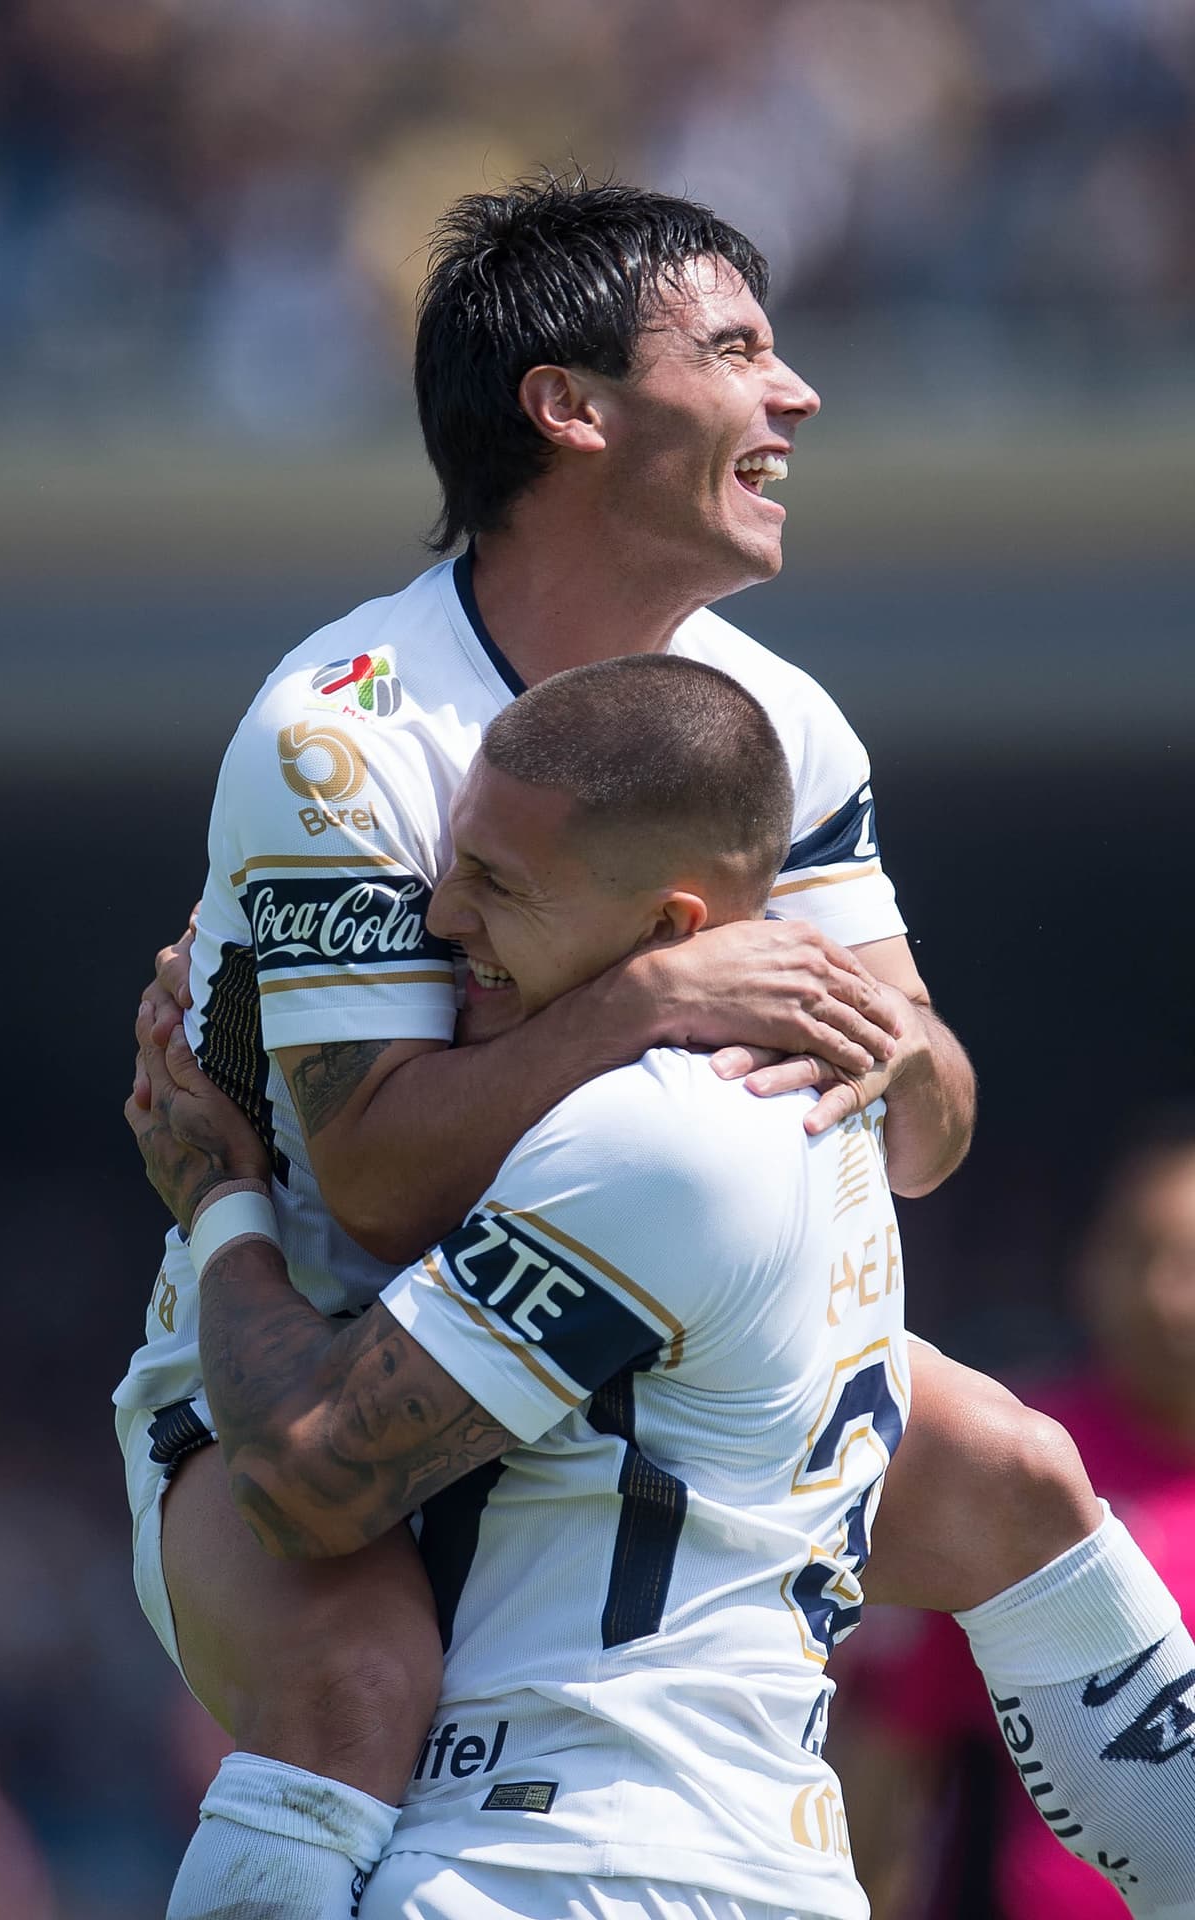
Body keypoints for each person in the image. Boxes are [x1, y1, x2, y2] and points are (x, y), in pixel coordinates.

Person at [116, 177, 1192, 1917]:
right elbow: (378, 1185)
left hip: (654, 1334)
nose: (798, 395)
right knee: (355, 1687)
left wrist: (885, 1044)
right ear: (571, 405)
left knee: (1025, 1478)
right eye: (741, 350)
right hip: (317, 1354)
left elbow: (928, 1129)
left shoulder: (778, 720)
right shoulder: (345, 732)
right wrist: (652, 997)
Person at [129, 653, 913, 1920]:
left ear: (671, 931)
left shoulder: (656, 1139)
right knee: (1025, 1474)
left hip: (554, 1866)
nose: (442, 916)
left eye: (497, 883)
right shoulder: (826, 1116)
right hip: (764, 1863)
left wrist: (221, 1195)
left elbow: (304, 1479)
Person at [834, 1109, 1195, 1920]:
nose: (1167, 1298)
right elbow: (892, 1758)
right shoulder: (1011, 1458)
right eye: (1140, 1255)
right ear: (1088, 1264)